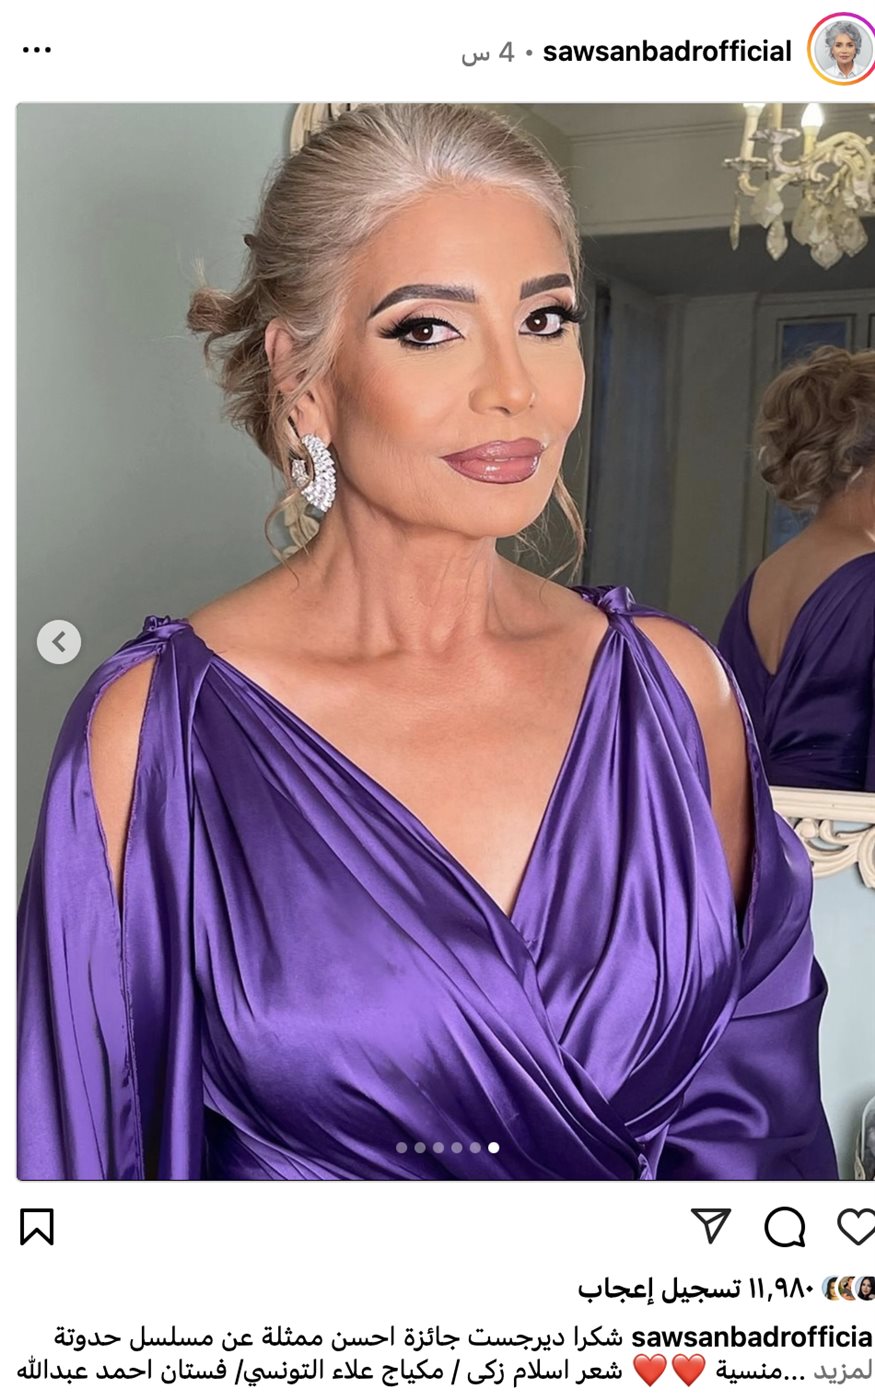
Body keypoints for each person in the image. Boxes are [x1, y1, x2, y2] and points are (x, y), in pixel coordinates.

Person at [18, 103, 837, 1182]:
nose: (514, 388)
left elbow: (758, 1141)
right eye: (427, 328)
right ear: (303, 377)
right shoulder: (157, 736)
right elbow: (83, 1167)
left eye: (544, 318)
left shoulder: (676, 693)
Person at [719, 347, 875, 790]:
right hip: (845, 831)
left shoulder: (765, 578)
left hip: (753, 825)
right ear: (859, 464)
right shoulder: (868, 580)